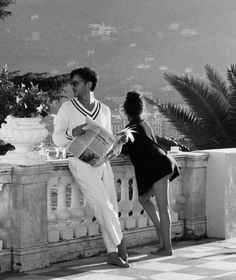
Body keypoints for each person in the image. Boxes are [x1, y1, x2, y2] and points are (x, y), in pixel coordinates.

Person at [52, 67, 129, 268]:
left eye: (76, 83)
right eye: (71, 84)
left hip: (102, 162)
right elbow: (57, 139)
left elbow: (109, 138)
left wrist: (116, 146)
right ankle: (121, 243)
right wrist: (72, 132)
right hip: (79, 161)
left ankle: (112, 253)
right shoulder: (67, 108)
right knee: (103, 204)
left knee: (110, 204)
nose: (72, 87)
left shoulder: (104, 109)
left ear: (89, 84)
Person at [121, 91, 180, 256]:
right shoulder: (145, 124)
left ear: (126, 111)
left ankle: (167, 248)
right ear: (141, 109)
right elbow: (152, 143)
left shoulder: (129, 130)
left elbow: (124, 150)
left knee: (163, 207)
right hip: (163, 163)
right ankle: (161, 238)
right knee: (143, 198)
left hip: (158, 168)